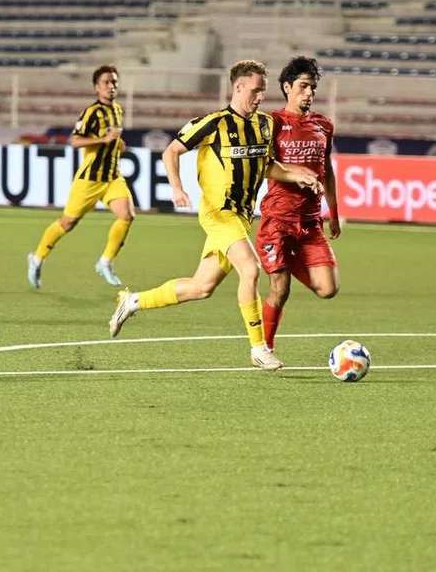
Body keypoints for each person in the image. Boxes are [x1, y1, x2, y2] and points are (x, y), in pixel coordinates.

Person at [107, 60, 323, 371]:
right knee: (250, 270)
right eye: (256, 90)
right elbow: (171, 151)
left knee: (201, 287)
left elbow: (265, 165)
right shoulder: (213, 123)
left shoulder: (264, 124)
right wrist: (176, 187)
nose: (261, 96)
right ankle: (259, 348)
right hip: (218, 214)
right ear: (238, 87)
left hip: (241, 216)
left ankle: (133, 301)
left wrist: (294, 175)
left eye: (263, 90)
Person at [256, 56, 342, 354]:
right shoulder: (272, 122)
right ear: (287, 87)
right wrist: (295, 174)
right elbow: (264, 166)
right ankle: (263, 349)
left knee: (329, 289)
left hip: (310, 222)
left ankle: (284, 261)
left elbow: (326, 169)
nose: (309, 93)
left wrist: (334, 211)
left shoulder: (324, 125)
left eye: (313, 88)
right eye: (304, 86)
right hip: (278, 220)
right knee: (280, 290)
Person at [27, 64, 134, 289]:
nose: (111, 86)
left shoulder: (118, 110)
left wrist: (118, 144)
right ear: (96, 87)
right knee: (67, 223)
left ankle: (105, 262)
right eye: (106, 82)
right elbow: (75, 141)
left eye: (114, 81)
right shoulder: (91, 113)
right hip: (89, 179)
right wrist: (102, 141)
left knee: (126, 216)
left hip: (113, 177)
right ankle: (36, 259)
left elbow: (113, 139)